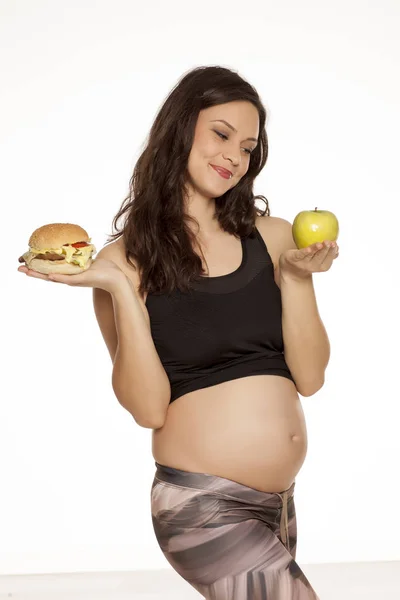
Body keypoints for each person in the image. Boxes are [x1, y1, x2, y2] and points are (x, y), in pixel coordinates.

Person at [18, 65, 339, 599]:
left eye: (248, 146)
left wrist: (296, 278)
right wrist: (121, 290)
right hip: (203, 507)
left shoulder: (275, 236)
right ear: (180, 130)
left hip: (279, 502)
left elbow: (310, 377)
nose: (234, 156)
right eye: (220, 134)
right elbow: (148, 409)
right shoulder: (123, 262)